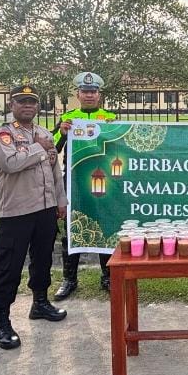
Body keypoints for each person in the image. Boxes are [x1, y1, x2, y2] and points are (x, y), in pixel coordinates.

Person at [0, 83, 68, 351]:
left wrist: (60, 200)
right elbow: (11, 164)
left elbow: (55, 169)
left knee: (43, 259)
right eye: (22, 102)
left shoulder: (44, 133)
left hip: (45, 209)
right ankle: (1, 322)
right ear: (12, 106)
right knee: (8, 266)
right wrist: (37, 147)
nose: (28, 106)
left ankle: (40, 302)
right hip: (16, 211)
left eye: (32, 102)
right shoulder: (3, 135)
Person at [52, 71, 117, 299]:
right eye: (85, 92)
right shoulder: (69, 117)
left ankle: (108, 276)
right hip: (75, 181)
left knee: (104, 225)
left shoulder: (109, 117)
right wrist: (60, 133)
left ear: (99, 95)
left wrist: (115, 130)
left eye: (93, 92)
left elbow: (120, 148)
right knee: (71, 228)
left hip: (104, 180)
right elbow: (53, 149)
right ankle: (69, 279)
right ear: (78, 94)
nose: (89, 95)